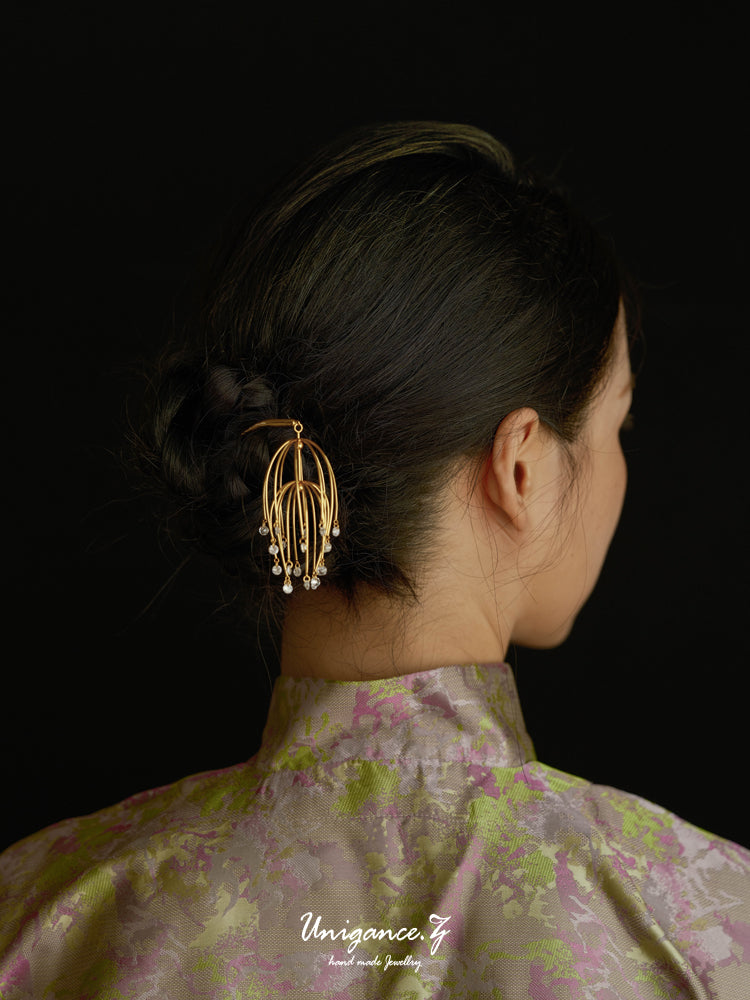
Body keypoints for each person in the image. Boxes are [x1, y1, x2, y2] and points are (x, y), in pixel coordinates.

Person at [1, 121, 748, 999]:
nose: (624, 460)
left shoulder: (45, 911)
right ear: (521, 465)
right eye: (617, 424)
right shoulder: (704, 926)